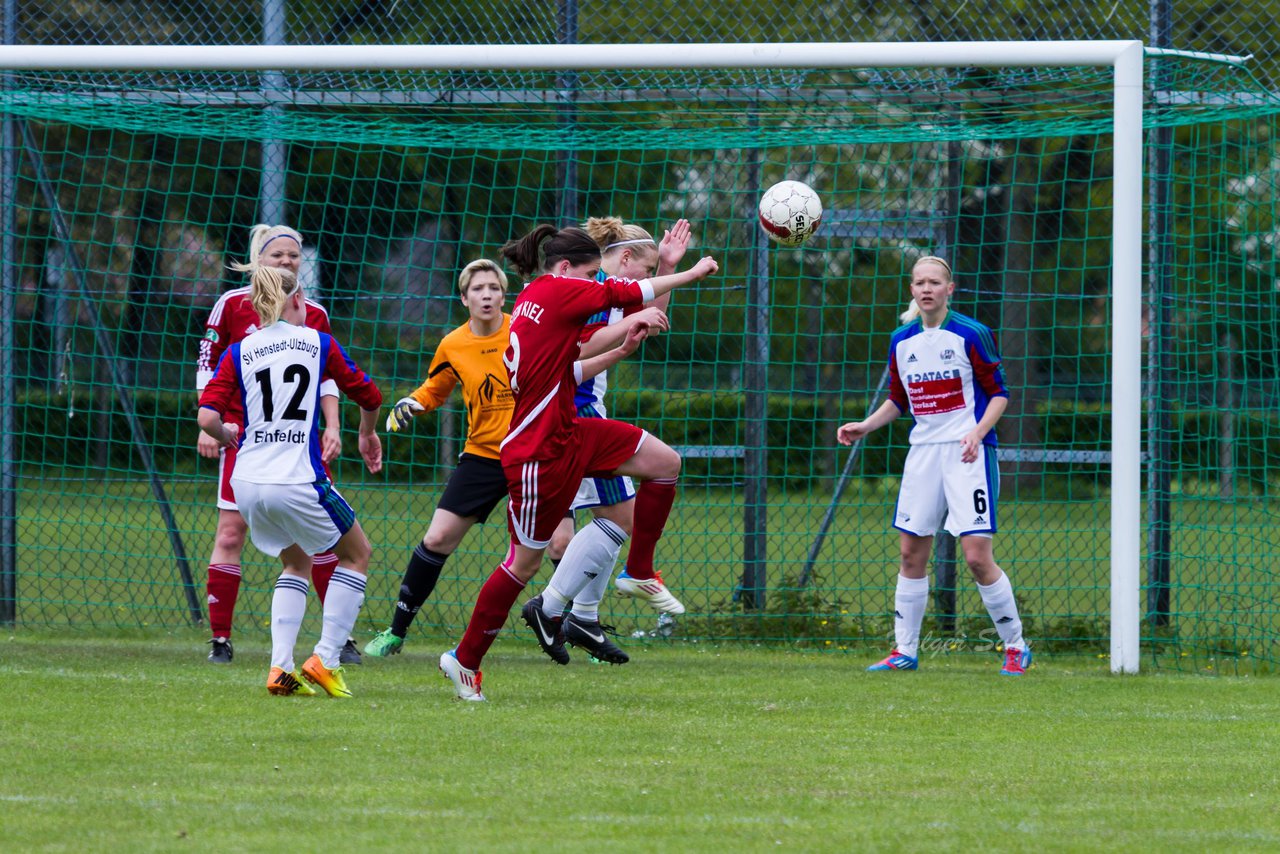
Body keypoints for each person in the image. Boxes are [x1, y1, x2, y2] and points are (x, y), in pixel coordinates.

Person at [439, 225, 718, 701]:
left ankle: (639, 571)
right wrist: (691, 271)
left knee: (664, 462)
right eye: (590, 273)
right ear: (565, 269)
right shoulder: (556, 292)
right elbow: (629, 291)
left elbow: (572, 362)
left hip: (572, 431)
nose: (595, 281)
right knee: (521, 564)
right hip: (538, 454)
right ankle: (464, 660)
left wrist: (622, 348)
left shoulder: (536, 301)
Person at [836, 256, 1032, 676]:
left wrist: (977, 433)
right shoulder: (901, 340)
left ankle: (1015, 646)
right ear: (912, 290)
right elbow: (899, 399)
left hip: (968, 455)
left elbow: (999, 393)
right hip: (923, 455)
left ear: (949, 289)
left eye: (934, 283)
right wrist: (865, 426)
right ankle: (904, 651)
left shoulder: (971, 333)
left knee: (977, 557)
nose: (927, 289)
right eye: (919, 283)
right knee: (911, 553)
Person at [198, 266, 383, 697]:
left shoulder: (240, 350)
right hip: (297, 478)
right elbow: (368, 394)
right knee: (357, 554)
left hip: (247, 482)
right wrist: (366, 430)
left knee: (296, 562)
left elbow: (207, 416)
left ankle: (280, 669)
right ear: (299, 300)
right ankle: (327, 658)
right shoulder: (317, 342)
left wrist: (226, 434)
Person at [522, 217, 691, 667]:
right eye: (649, 267)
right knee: (620, 517)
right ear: (626, 258)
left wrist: (666, 271)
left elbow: (649, 319)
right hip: (573, 412)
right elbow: (581, 346)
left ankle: (580, 616)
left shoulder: (606, 285)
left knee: (615, 520)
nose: (648, 279)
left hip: (575, 410)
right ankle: (557, 609)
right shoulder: (591, 286)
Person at [362, 259, 517, 658]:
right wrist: (412, 402)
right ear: (464, 298)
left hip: (531, 453)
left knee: (560, 543)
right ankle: (396, 632)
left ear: (504, 294)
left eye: (494, 288)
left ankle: (578, 626)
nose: (487, 295)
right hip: (483, 457)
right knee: (436, 538)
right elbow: (436, 387)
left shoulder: (523, 331)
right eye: (478, 289)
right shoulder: (453, 344)